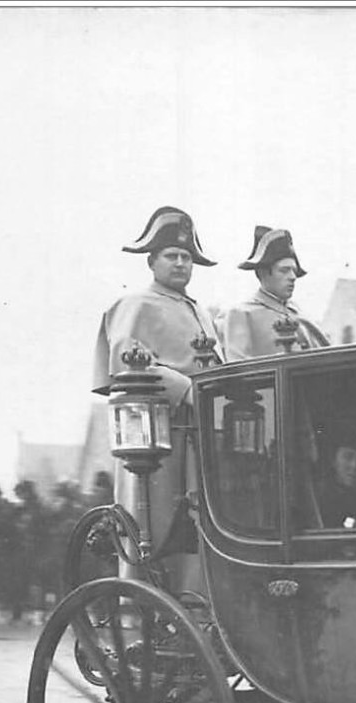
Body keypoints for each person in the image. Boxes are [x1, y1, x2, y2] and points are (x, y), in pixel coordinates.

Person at [90, 206, 221, 587]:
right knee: (157, 522)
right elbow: (129, 364)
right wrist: (187, 389)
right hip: (159, 437)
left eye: (186, 258)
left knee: (201, 521)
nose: (181, 264)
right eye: (172, 256)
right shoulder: (136, 305)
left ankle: (196, 607)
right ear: (152, 261)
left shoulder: (200, 311)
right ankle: (149, 607)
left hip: (202, 432)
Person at [223, 226, 331, 360]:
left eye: (294, 270)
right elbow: (238, 368)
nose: (293, 276)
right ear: (262, 273)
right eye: (284, 270)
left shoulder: (299, 313)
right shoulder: (242, 314)